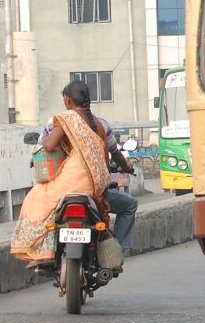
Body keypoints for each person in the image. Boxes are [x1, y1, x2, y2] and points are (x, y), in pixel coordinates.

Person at [9, 80, 112, 266]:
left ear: (67, 100)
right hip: (94, 184)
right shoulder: (97, 123)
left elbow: (48, 146)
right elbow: (106, 158)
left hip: (74, 179)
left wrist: (50, 138)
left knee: (37, 200)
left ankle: (42, 253)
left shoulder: (66, 118)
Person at [42, 113, 139, 253]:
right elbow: (114, 153)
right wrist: (125, 168)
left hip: (62, 189)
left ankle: (43, 251)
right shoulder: (100, 125)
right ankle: (118, 249)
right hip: (92, 190)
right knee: (130, 204)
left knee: (39, 211)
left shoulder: (57, 122)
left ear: (68, 101)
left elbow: (45, 147)